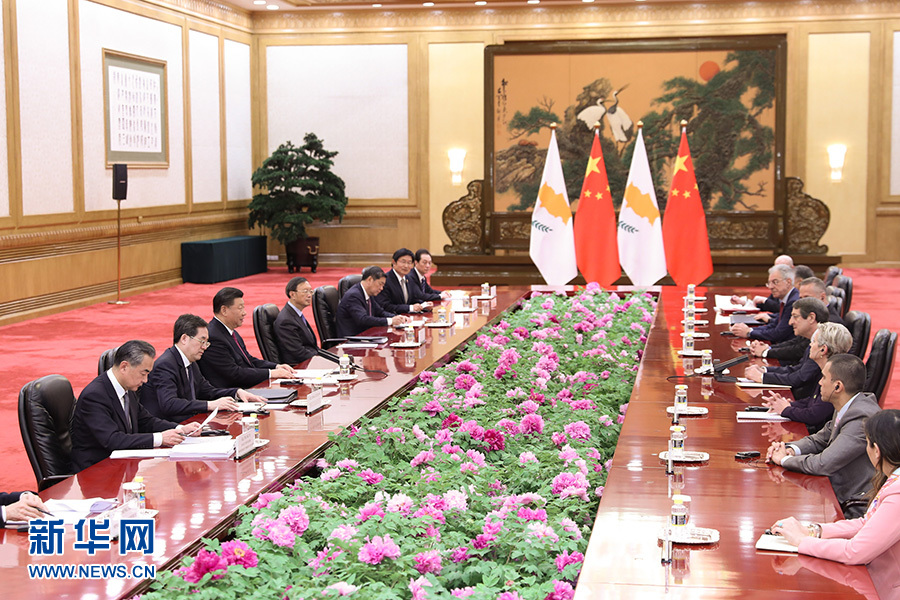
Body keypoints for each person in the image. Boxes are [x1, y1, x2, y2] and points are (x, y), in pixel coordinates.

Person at [770, 409, 900, 588]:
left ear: (876, 450)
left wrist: (802, 542)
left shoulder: (897, 493)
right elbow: (865, 523)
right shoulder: (894, 480)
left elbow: (855, 552)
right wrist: (813, 530)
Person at [766, 353, 880, 518]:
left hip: (855, 505)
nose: (819, 382)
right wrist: (789, 449)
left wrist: (784, 460)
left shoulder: (860, 417)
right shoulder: (849, 406)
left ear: (837, 387)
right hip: (836, 492)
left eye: (824, 377)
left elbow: (823, 464)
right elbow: (819, 439)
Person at [70, 340, 201, 472]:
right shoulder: (94, 396)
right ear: (124, 367)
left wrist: (180, 429)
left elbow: (146, 421)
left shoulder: (128, 388)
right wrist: (160, 438)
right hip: (96, 471)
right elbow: (112, 440)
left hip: (121, 465)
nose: (145, 380)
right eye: (143, 374)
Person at [141, 314, 266, 422]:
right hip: (169, 428)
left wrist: (236, 392)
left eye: (207, 342)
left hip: (189, 423)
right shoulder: (165, 365)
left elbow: (207, 391)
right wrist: (209, 405)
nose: (205, 347)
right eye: (202, 341)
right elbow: (170, 404)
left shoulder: (191, 362)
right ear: (184, 339)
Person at [763, 322, 853, 432]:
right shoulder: (826, 369)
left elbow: (814, 415)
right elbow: (812, 401)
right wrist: (788, 404)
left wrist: (786, 410)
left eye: (813, 341)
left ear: (823, 349)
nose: (810, 345)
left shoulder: (834, 377)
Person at [198, 287, 294, 388]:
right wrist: (270, 373)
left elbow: (248, 360)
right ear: (224, 310)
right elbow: (234, 373)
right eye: (240, 308)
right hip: (231, 392)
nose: (244, 313)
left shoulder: (229, 331)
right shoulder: (213, 337)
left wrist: (276, 366)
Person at [744, 297, 829, 399]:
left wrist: (761, 377)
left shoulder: (823, 342)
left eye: (795, 317)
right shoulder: (814, 338)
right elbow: (797, 369)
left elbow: (800, 378)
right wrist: (765, 370)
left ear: (811, 318)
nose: (790, 322)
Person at [730, 264, 798, 343]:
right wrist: (748, 330)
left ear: (788, 282)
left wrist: (749, 332)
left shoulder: (793, 302)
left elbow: (778, 334)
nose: (770, 287)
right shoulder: (789, 298)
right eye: (769, 283)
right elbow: (775, 325)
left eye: (775, 282)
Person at [337, 266, 409, 338]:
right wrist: (390, 321)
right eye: (380, 284)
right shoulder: (353, 295)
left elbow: (380, 312)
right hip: (352, 339)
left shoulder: (368, 294)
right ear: (370, 280)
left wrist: (397, 317)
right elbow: (362, 319)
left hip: (366, 336)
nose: (381, 288)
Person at [274, 276, 319, 364]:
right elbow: (298, 353)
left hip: (310, 360)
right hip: (300, 365)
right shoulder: (286, 321)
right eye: (305, 291)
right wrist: (321, 360)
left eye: (311, 291)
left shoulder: (296, 314)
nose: (309, 295)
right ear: (292, 294)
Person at [375, 248, 432, 314]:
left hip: (407, 317)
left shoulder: (409, 279)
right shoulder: (386, 280)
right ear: (394, 262)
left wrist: (423, 305)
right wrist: (410, 308)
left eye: (409, 263)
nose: (406, 266)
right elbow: (385, 306)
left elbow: (412, 299)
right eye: (403, 262)